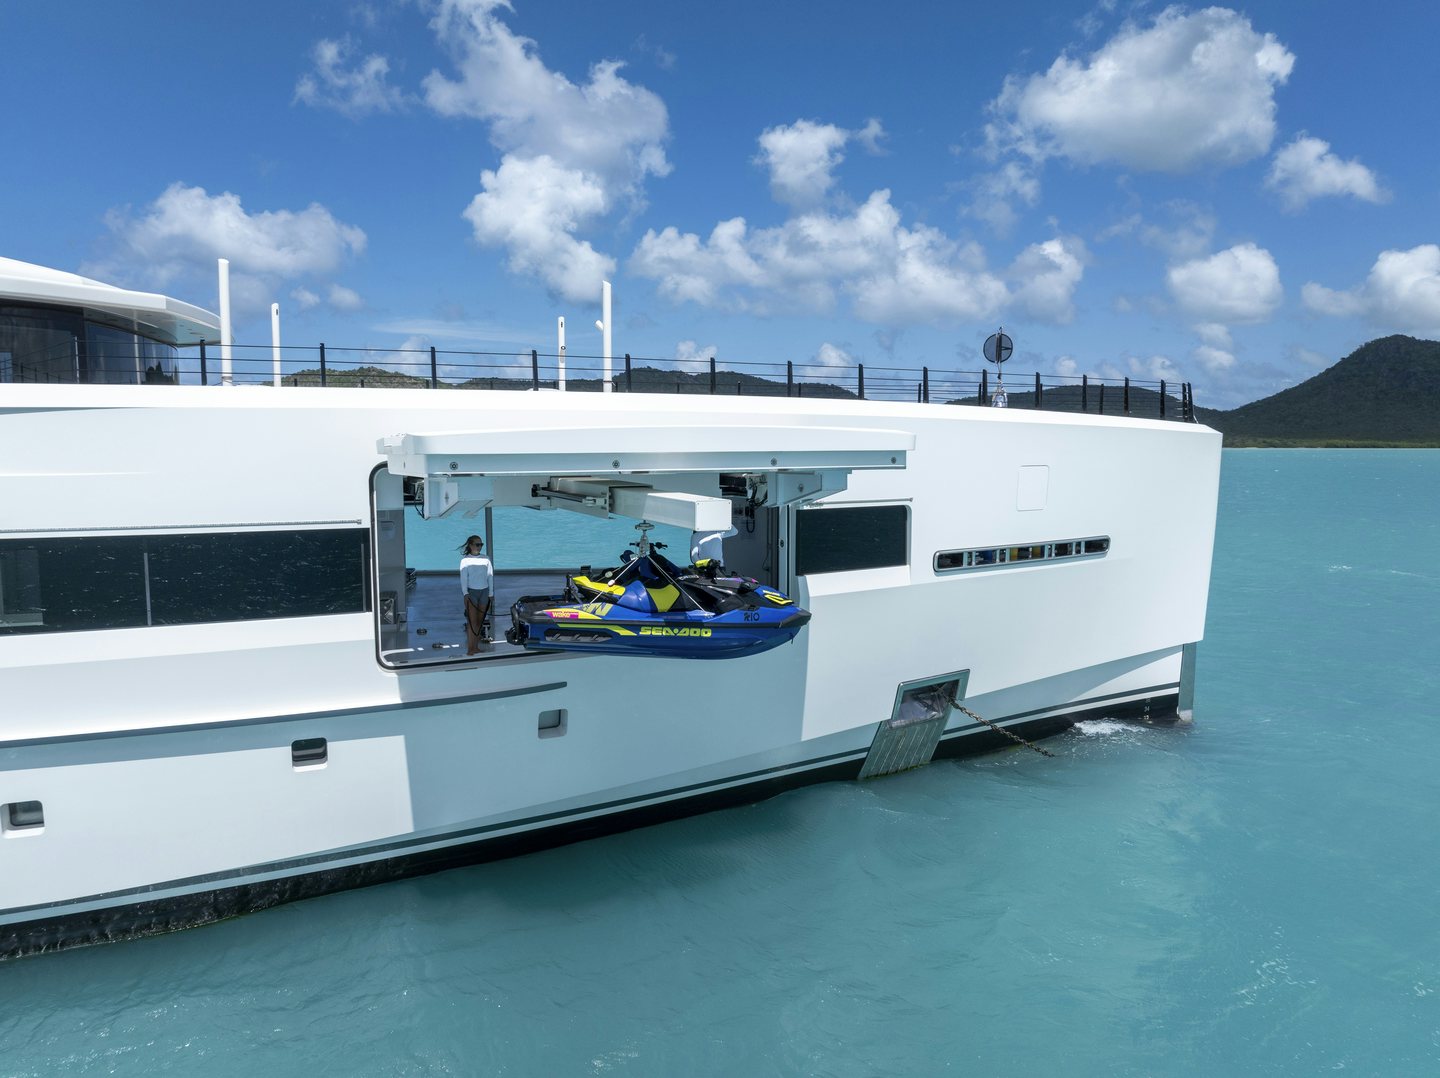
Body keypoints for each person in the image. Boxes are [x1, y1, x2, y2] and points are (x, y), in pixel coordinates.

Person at [459, 535, 493, 654]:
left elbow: (490, 576)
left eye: (481, 545)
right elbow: (463, 578)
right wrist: (465, 593)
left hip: (484, 591)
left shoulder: (486, 559)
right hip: (472, 592)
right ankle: (470, 648)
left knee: (479, 621)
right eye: (477, 544)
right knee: (471, 621)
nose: (479, 547)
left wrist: (491, 593)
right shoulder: (465, 560)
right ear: (471, 545)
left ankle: (476, 646)